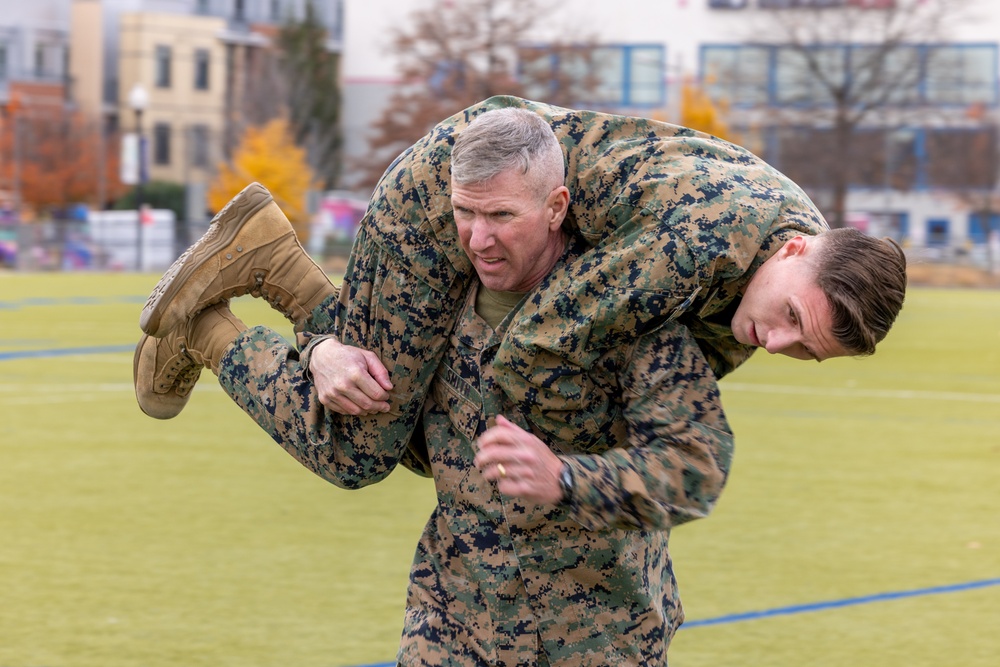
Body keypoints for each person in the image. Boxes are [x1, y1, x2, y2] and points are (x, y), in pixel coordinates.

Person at [133, 99, 906, 665]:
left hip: (533, 191)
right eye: (793, 319)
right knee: (362, 440)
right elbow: (534, 348)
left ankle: (287, 283)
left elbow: (676, 404)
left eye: (806, 351)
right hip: (472, 192)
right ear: (798, 249)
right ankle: (224, 317)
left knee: (414, 419)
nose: (777, 342)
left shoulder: (789, 256)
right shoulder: (695, 245)